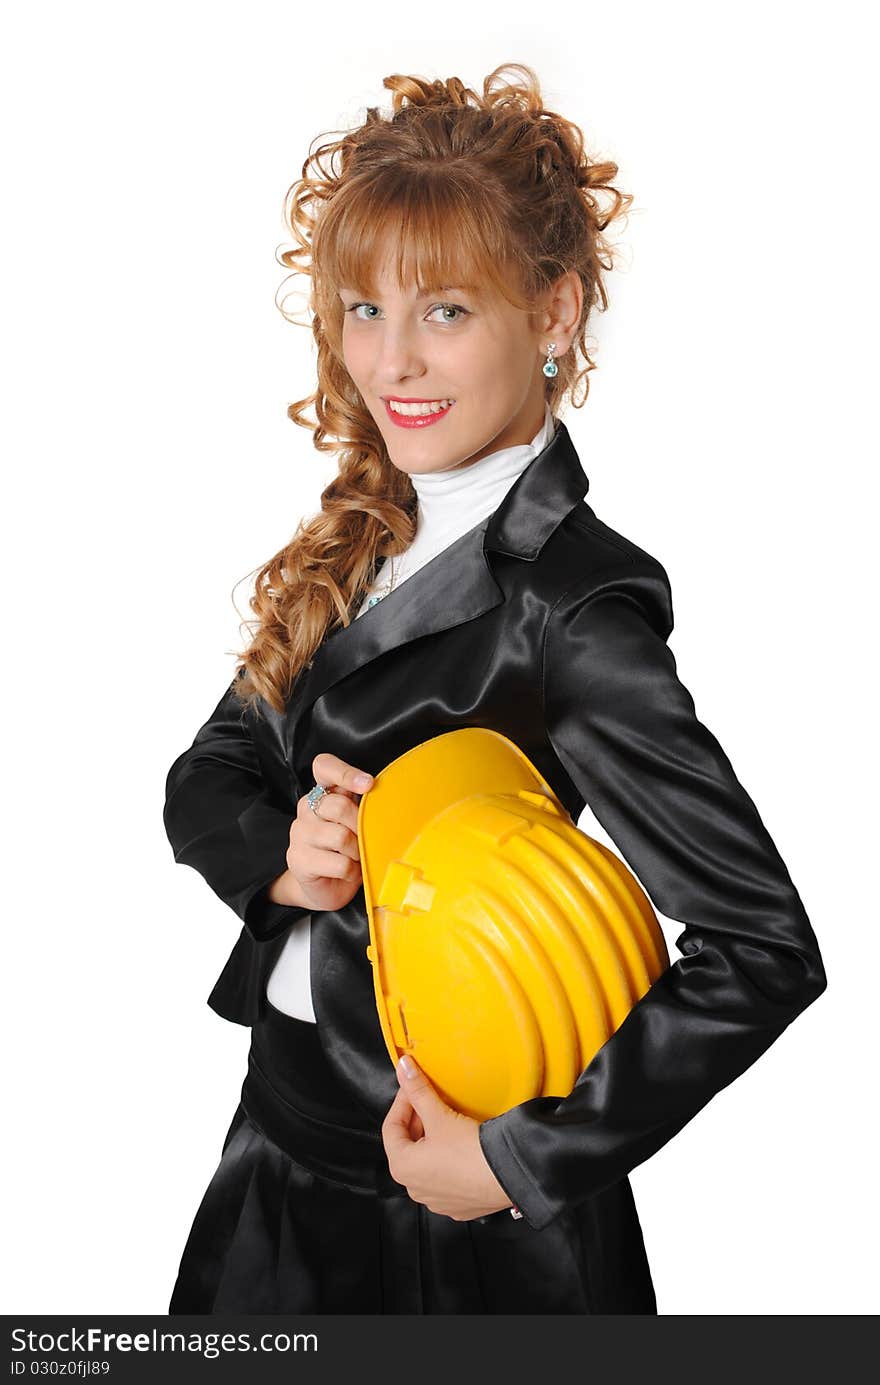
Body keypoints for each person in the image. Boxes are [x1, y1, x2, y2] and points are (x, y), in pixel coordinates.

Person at [162, 62, 827, 1315]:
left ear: (556, 311)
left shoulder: (572, 606)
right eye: (363, 308)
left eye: (448, 311)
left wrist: (522, 1157)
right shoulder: (361, 534)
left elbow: (762, 946)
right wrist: (281, 857)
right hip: (277, 1150)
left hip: (458, 1210)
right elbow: (201, 778)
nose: (391, 359)